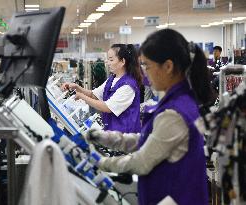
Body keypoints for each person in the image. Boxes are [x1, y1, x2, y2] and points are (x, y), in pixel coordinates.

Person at [86, 29, 216, 204]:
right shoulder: (176, 100)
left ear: (168, 67)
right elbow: (148, 140)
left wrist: (100, 163)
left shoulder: (176, 112)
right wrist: (106, 138)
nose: (144, 73)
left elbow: (142, 162)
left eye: (147, 65)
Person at [62, 44, 142, 133]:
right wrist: (77, 87)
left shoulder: (128, 85)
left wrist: (82, 96)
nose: (107, 62)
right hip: (112, 131)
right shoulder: (112, 79)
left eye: (111, 59)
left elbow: (107, 107)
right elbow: (93, 95)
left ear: (122, 61)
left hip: (126, 135)